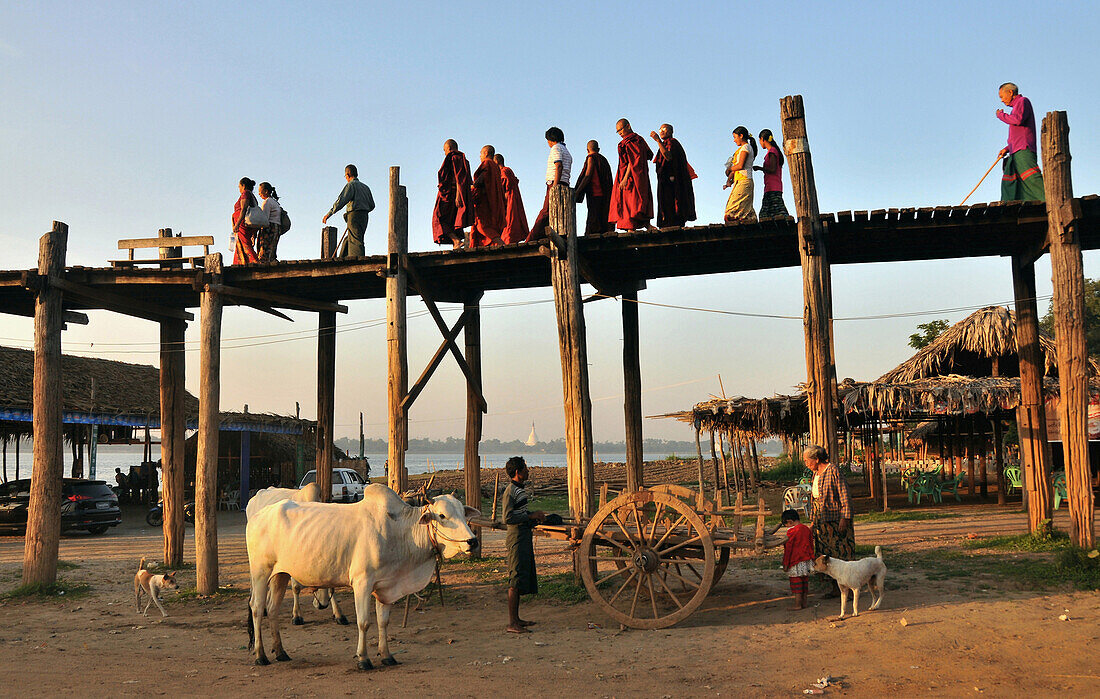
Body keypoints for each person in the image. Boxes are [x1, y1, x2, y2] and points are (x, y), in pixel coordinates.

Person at [502, 456, 545, 633]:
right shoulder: (510, 490)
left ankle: (517, 619)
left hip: (524, 534)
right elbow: (508, 517)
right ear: (518, 472)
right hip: (516, 537)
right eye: (526, 469)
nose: (528, 471)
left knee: (522, 575)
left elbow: (521, 511)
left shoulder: (519, 489)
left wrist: (533, 517)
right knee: (516, 578)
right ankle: (512, 624)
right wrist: (530, 516)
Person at [805, 444, 852, 597]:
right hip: (821, 521)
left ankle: (849, 589)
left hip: (835, 519)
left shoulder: (833, 471)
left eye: (807, 460)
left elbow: (844, 495)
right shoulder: (816, 474)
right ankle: (834, 588)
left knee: (841, 554)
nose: (806, 463)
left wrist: (844, 517)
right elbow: (815, 499)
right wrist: (813, 522)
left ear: (817, 459)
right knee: (826, 555)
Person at [996, 82, 1045, 202]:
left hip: (1024, 148)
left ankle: (1047, 198)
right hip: (1015, 149)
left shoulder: (1023, 101)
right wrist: (1006, 149)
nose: (1002, 100)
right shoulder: (1016, 106)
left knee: (1030, 176)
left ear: (1010, 92)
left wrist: (1001, 115)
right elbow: (1017, 135)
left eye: (1002, 96)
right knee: (1012, 178)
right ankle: (1013, 203)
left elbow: (1018, 120)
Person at [526, 127, 572, 242]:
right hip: (565, 183)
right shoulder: (566, 151)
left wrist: (555, 186)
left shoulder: (556, 148)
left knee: (545, 212)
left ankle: (532, 238)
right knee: (558, 212)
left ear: (551, 139)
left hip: (555, 183)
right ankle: (554, 236)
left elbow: (559, 166)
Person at [609, 119, 655, 231]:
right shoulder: (630, 141)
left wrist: (625, 178)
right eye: (618, 131)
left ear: (628, 126)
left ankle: (644, 225)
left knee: (636, 200)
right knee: (630, 201)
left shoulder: (635, 140)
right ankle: (631, 227)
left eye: (621, 129)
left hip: (633, 176)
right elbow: (648, 155)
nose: (620, 133)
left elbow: (633, 160)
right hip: (630, 173)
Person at [322, 164, 376, 257]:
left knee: (355, 241)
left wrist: (329, 214)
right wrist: (363, 209)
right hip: (364, 216)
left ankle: (358, 264)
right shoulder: (366, 187)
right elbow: (372, 205)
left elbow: (340, 201)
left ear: (347, 175)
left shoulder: (351, 185)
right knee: (351, 238)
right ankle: (341, 258)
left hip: (354, 216)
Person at [649, 124, 697, 228]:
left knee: (674, 204)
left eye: (664, 129)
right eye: (660, 129)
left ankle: (674, 224)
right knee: (665, 204)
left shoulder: (673, 143)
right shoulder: (664, 144)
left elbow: (668, 156)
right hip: (665, 181)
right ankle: (667, 224)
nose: (661, 131)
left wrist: (658, 141)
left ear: (670, 132)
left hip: (674, 182)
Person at [432, 140, 475, 249]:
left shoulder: (454, 158)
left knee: (439, 217)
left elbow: (458, 178)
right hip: (452, 193)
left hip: (450, 194)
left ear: (449, 148)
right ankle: (456, 242)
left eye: (445, 150)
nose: (445, 153)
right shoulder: (463, 159)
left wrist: (458, 196)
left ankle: (456, 240)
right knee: (451, 219)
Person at [573, 140, 614, 235]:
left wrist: (577, 191)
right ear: (598, 149)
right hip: (606, 193)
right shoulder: (604, 160)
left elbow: (587, 175)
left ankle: (591, 234)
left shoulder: (591, 158)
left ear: (587, 150)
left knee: (594, 216)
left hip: (595, 192)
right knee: (604, 215)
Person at [470, 145, 506, 248]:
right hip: (492, 201)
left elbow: (482, 179)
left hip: (484, 202)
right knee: (482, 227)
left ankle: (500, 243)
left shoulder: (487, 163)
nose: (480, 156)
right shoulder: (495, 167)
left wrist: (473, 185)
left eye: (481, 153)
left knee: (482, 226)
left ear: (486, 153)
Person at [781, 509, 814, 610]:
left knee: (796, 584)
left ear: (790, 522)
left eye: (786, 524)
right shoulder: (806, 529)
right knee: (804, 583)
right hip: (806, 561)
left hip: (796, 561)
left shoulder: (792, 532)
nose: (786, 527)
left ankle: (797, 605)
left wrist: (785, 564)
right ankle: (804, 603)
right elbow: (811, 544)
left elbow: (788, 550)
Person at [723, 126, 758, 223]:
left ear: (741, 136)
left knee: (732, 211)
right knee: (742, 209)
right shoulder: (740, 150)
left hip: (745, 181)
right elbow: (736, 170)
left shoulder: (746, 147)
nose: (734, 140)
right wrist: (729, 181)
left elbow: (740, 165)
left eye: (735, 137)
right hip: (740, 181)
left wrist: (729, 168)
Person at [753, 129, 789, 218]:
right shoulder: (773, 151)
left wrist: (760, 168)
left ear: (762, 139)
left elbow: (772, 169)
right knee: (771, 213)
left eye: (759, 141)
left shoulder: (772, 151)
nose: (760, 143)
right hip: (771, 187)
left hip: (773, 187)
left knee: (770, 214)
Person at [495, 154, 530, 244]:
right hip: (513, 198)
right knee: (514, 218)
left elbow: (505, 185)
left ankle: (508, 239)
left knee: (510, 220)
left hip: (509, 198)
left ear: (497, 161)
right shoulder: (508, 170)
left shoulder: (504, 170)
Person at [231, 177, 260, 265]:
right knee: (241, 243)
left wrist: (237, 224)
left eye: (239, 186)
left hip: (242, 223)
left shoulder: (245, 193)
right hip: (245, 223)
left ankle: (254, 262)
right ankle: (240, 263)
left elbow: (243, 210)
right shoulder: (251, 195)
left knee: (245, 243)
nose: (239, 188)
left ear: (243, 186)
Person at [256, 182, 283, 262]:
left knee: (265, 252)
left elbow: (264, 219)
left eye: (260, 191)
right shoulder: (275, 202)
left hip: (269, 229)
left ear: (266, 191)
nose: (259, 193)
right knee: (272, 251)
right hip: (276, 228)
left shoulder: (267, 202)